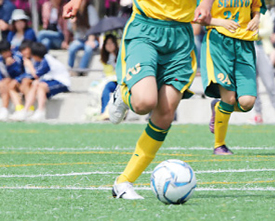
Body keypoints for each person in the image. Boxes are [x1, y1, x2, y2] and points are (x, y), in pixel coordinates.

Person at [64, 0, 214, 199]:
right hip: (145, 28)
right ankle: (123, 94)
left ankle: (124, 181)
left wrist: (206, 4)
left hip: (180, 37)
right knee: (144, 103)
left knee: (166, 114)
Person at [202, 0, 267, 155]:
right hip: (219, 42)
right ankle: (219, 145)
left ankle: (218, 108)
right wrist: (219, 22)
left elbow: (256, 7)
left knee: (247, 102)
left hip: (245, 43)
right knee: (229, 99)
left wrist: (256, 18)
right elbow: (194, 14)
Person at [10, 42, 71, 121]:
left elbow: (35, 75)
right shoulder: (42, 60)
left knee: (40, 85)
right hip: (51, 81)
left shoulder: (46, 60)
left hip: (62, 83)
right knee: (36, 84)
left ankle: (40, 111)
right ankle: (26, 110)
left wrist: (29, 65)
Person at [253, 10, 275, 124]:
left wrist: (254, 32)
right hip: (247, 50)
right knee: (252, 86)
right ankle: (258, 114)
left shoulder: (263, 12)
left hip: (262, 49)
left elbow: (268, 31)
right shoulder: (242, 10)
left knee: (270, 84)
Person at [67, 0, 99, 73]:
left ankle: (81, 70)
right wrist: (73, 23)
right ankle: (70, 69)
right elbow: (72, 29)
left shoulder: (90, 9)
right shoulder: (74, 11)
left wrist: (91, 40)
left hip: (92, 39)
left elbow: (94, 27)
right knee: (72, 48)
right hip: (80, 39)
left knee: (88, 48)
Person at [8, 40, 35, 118]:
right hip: (23, 80)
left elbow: (35, 74)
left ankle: (30, 108)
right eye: (22, 50)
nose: (24, 52)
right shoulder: (21, 59)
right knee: (11, 85)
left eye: (26, 49)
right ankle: (19, 109)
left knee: (25, 82)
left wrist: (29, 65)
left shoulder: (35, 58)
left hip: (35, 81)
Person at [0, 40, 24, 121]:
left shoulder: (17, 57)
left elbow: (19, 74)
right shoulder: (0, 60)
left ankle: (15, 109)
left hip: (20, 82)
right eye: (3, 52)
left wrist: (10, 66)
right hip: (6, 84)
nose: (5, 54)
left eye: (7, 51)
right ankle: (4, 110)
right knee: (4, 83)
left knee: (6, 82)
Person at [97, 34, 118, 121]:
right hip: (107, 79)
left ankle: (105, 111)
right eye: (107, 43)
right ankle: (102, 111)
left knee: (107, 87)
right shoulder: (105, 58)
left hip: (117, 81)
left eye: (111, 43)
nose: (109, 46)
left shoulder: (120, 56)